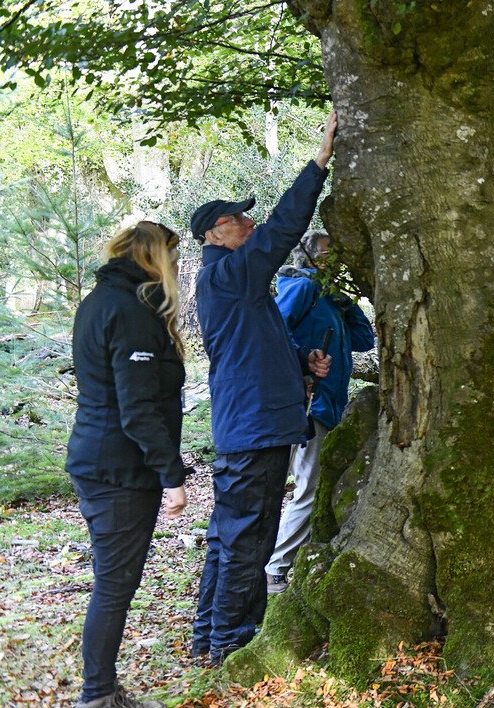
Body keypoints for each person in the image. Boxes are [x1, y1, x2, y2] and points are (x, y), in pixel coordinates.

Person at [190, 111, 337, 665]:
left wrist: (302, 362)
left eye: (243, 219)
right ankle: (233, 640)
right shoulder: (228, 273)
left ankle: (210, 634)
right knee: (248, 539)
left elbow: (253, 351)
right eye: (235, 221)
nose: (247, 225)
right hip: (252, 433)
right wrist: (318, 162)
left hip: (250, 426)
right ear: (213, 235)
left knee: (229, 537)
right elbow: (281, 230)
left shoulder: (238, 285)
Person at [65, 221, 190, 708]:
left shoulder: (102, 299)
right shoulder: (131, 311)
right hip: (117, 468)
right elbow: (137, 408)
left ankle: (106, 692)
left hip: (104, 460)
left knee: (116, 583)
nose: (179, 269)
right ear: (155, 259)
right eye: (174, 258)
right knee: (114, 586)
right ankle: (94, 707)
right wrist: (172, 476)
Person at [265, 231, 376, 594]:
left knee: (311, 484)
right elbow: (276, 334)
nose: (335, 262)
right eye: (327, 255)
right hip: (307, 402)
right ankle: (276, 570)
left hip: (329, 404)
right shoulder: (302, 287)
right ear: (311, 258)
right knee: (308, 486)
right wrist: (304, 364)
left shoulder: (329, 296)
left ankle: (280, 562)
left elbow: (365, 340)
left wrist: (346, 303)